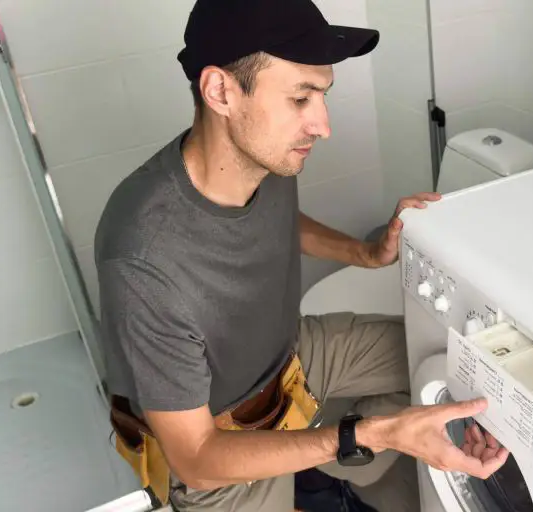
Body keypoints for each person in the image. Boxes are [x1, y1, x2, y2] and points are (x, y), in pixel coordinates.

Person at [95, 0, 509, 510]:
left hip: (289, 357)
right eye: (300, 98)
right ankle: (328, 461)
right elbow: (196, 458)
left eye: (322, 96)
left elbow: (277, 221)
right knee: (372, 426)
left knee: (441, 358)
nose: (322, 125)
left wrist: (366, 252)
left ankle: (330, 469)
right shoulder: (142, 258)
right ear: (220, 91)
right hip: (218, 444)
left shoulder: (258, 157)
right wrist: (366, 434)